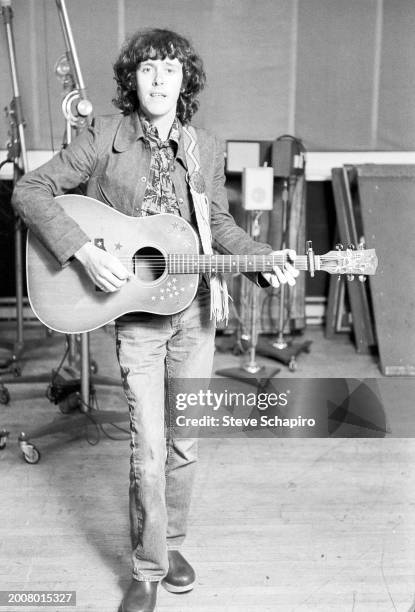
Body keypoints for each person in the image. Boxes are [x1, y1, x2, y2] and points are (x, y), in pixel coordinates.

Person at [12, 28, 298, 612]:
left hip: (194, 314)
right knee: (147, 446)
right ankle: (146, 568)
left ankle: (169, 542)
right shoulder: (104, 138)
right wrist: (84, 251)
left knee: (186, 441)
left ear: (185, 80)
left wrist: (262, 261)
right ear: (132, 80)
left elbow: (218, 227)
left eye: (170, 69)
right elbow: (30, 189)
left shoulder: (204, 147)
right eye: (147, 69)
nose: (160, 79)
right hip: (138, 318)